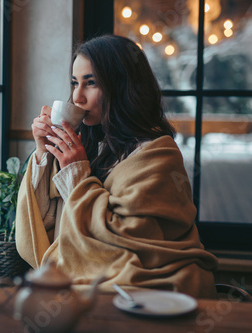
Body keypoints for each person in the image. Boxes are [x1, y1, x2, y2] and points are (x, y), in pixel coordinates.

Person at [15, 35, 218, 298]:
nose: (77, 97)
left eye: (91, 83)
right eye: (75, 83)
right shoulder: (91, 147)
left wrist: (76, 176)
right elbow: (47, 220)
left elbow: (130, 240)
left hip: (153, 287)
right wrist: (45, 153)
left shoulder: (158, 153)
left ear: (122, 87)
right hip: (96, 279)